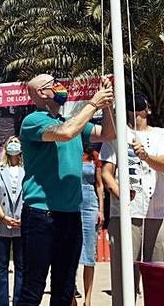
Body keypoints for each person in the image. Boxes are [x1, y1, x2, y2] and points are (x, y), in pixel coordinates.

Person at [17, 74, 115, 306]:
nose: (62, 87)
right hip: (41, 215)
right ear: (41, 92)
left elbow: (108, 134)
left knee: (64, 288)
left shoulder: (72, 120)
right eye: (54, 84)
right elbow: (64, 133)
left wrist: (108, 104)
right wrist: (93, 103)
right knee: (33, 288)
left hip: (71, 215)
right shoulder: (33, 121)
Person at [100, 92, 164, 296]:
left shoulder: (161, 134)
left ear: (148, 109)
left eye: (140, 105)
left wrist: (145, 155)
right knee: (124, 280)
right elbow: (106, 173)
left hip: (158, 213)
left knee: (162, 278)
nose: (135, 109)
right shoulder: (116, 134)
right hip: (126, 214)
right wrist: (118, 193)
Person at [0, 136, 25, 306]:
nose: (13, 145)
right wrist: (3, 216)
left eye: (16, 142)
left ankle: (19, 302)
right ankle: (1, 302)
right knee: (1, 265)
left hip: (22, 222)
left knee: (22, 265)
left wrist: (25, 216)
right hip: (0, 221)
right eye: (11, 142)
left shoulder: (28, 168)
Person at [77, 142, 104, 306]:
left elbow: (99, 185)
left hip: (90, 205)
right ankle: (71, 296)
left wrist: (101, 210)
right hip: (71, 204)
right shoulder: (67, 153)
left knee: (89, 254)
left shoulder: (94, 156)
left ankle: (88, 300)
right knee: (69, 252)